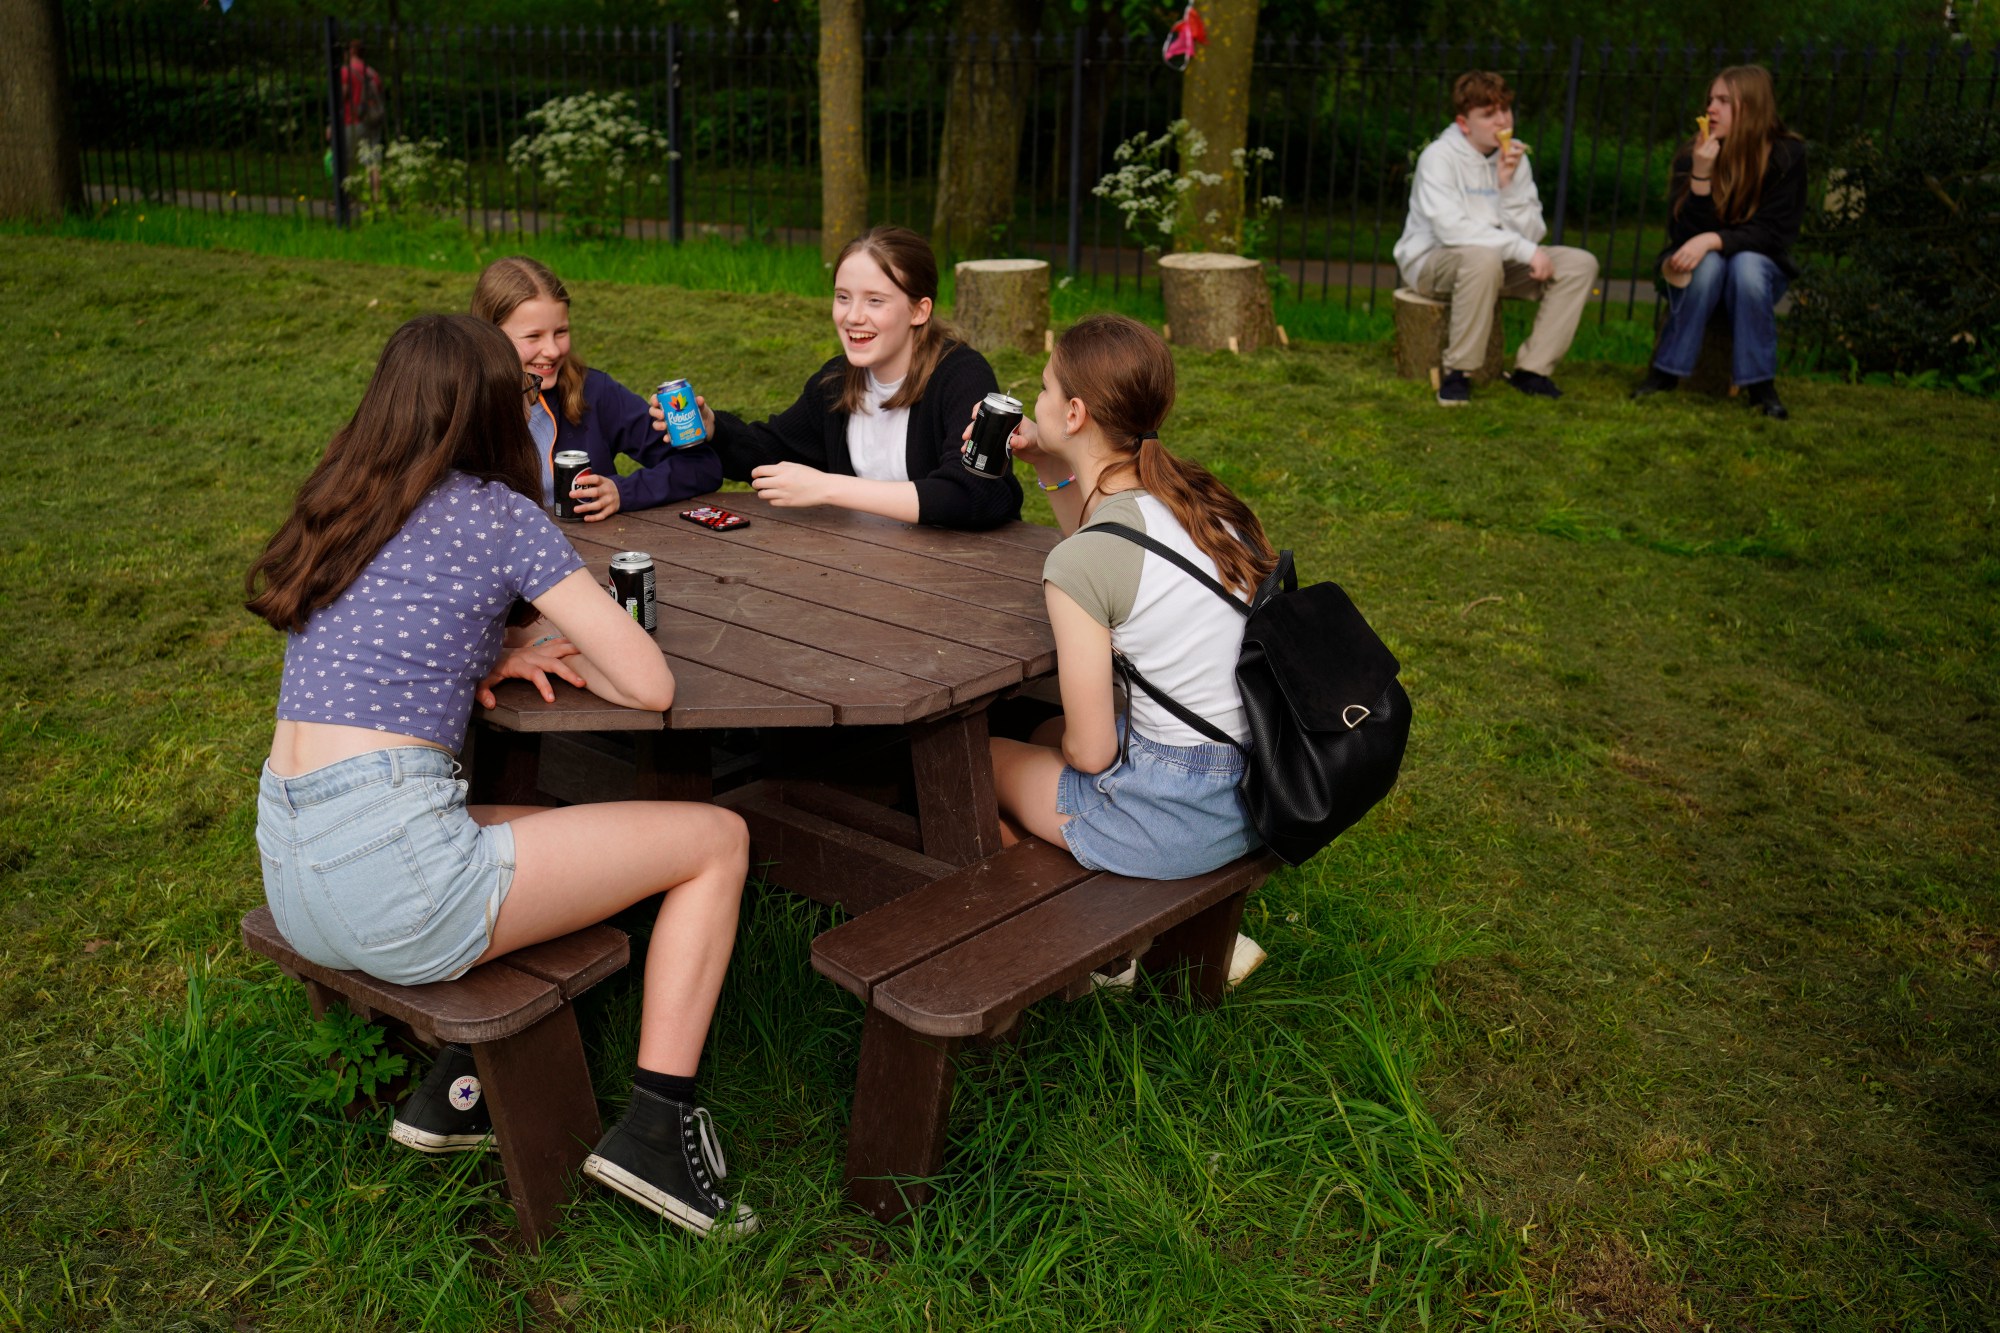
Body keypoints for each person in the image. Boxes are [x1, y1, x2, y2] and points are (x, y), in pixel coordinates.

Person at [246, 314, 758, 1237]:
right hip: (395, 885)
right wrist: (561, 639)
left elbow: (388, 629)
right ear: (489, 414)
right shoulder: (496, 516)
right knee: (716, 838)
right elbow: (649, 682)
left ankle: (459, 1084)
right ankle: (658, 1132)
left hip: (291, 870)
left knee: (557, 815)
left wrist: (497, 643)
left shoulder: (340, 501)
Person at [986, 314, 1269, 980]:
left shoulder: (1084, 564)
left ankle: (1082, 953)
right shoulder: (1200, 501)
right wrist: (1051, 465)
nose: (1040, 399)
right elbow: (1104, 548)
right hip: (1253, 787)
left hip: (1175, 814)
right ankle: (1133, 925)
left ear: (1076, 411)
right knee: (1048, 727)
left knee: (974, 760)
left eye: (1048, 389)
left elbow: (1093, 752)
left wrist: (1060, 760)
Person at [662, 225, 1023, 530]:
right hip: (857, 571)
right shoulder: (837, 379)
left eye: (875, 301)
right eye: (843, 297)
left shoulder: (961, 375)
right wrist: (712, 428)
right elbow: (770, 452)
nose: (853, 316)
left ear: (919, 310)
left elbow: (975, 494)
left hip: (964, 581)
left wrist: (828, 488)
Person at [1394, 70, 1600, 407]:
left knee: (1580, 264)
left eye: (1505, 110)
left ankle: (1532, 371)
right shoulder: (1439, 157)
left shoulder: (1515, 159)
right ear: (1464, 123)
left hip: (1495, 262)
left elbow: (1532, 234)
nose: (1502, 121)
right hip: (1432, 262)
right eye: (1488, 114)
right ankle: (1458, 372)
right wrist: (1523, 249)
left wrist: (1506, 188)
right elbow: (1452, 232)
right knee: (1481, 258)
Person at [472, 256, 723, 520]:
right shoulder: (461, 400)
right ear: (490, 336)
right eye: (533, 336)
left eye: (561, 332)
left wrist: (621, 491)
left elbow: (703, 466)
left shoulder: (594, 391)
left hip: (590, 553)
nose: (553, 350)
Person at [1631, 65, 1806, 420]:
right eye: (1711, 99)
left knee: (1746, 265)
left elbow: (1774, 233)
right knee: (1707, 265)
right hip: (1696, 271)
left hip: (1756, 271)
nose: (1710, 108)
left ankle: (1760, 386)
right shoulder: (1693, 153)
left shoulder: (1787, 156)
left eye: (1724, 101)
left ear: (1753, 106)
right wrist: (1700, 177)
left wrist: (1713, 239)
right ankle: (1665, 374)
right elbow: (1682, 239)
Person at [337, 39, 385, 202]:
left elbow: (342, 97)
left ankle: (345, 197)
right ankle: (376, 198)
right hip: (372, 120)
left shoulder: (346, 71)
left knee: (346, 159)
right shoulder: (372, 72)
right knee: (372, 161)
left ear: (351, 52)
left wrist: (332, 122)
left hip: (352, 120)